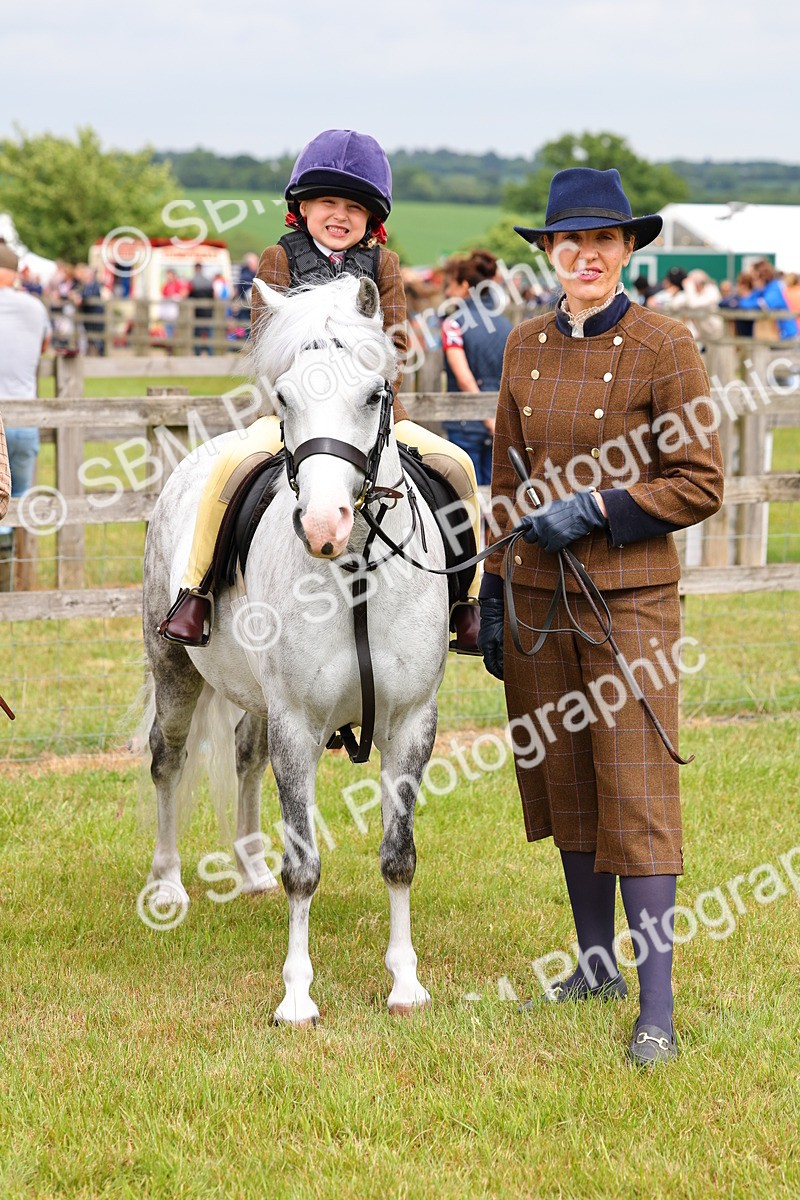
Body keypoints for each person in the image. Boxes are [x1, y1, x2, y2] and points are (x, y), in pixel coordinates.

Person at [477, 168, 724, 1065]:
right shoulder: (522, 344)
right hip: (540, 599)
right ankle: (594, 965)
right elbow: (506, 481)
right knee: (567, 782)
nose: (586, 254)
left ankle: (654, 1010)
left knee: (635, 786)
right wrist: (494, 590)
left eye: (604, 241)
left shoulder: (666, 344)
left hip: (629, 603)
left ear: (626, 251)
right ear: (547, 251)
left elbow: (700, 479)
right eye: (569, 240)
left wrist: (600, 508)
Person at [159, 129, 482, 652]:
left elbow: (395, 347)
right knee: (227, 470)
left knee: (458, 467)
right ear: (302, 207)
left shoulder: (385, 266)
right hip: (295, 417)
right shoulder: (278, 260)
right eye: (327, 202)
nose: (340, 215)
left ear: (371, 218)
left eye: (354, 207)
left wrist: (364, 390)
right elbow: (270, 350)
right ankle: (196, 593)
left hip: (371, 420)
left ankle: (467, 601)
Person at [440, 251, 512, 488]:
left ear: (465, 286)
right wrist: (496, 421)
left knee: (467, 497)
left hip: (466, 421)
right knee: (497, 497)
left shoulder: (454, 324)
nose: (448, 293)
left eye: (451, 285)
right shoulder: (507, 325)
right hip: (501, 420)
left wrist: (485, 418)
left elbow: (464, 379)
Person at [0, 242, 51, 556]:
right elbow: (44, 346)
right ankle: (14, 572)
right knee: (19, 498)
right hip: (24, 420)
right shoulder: (35, 307)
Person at [735, 259, 798, 341]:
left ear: (761, 275)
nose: (752, 281)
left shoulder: (774, 288)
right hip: (776, 338)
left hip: (788, 339)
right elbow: (744, 301)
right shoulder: (762, 290)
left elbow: (761, 305)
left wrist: (743, 302)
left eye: (753, 277)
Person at [187, 263, 215, 355]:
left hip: (198, 312)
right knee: (209, 333)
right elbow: (213, 297)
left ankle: (197, 352)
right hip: (208, 311)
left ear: (195, 269)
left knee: (197, 333)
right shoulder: (208, 281)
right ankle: (210, 352)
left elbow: (189, 296)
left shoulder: (193, 282)